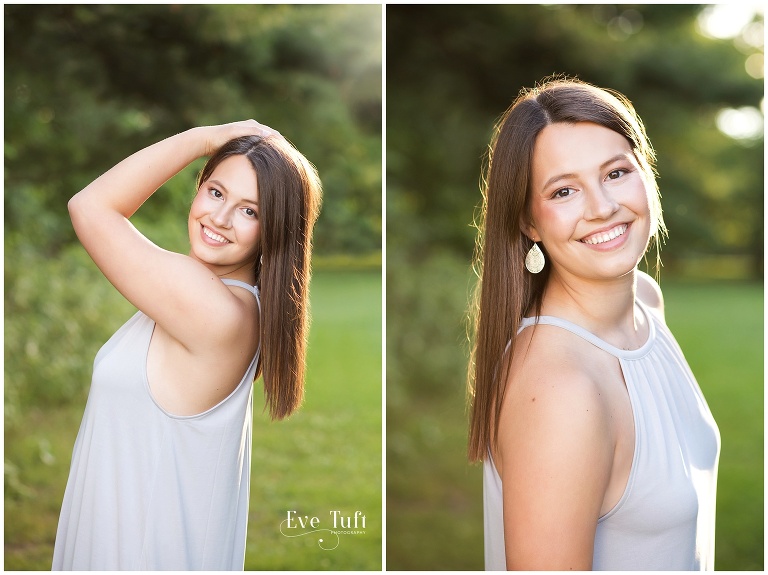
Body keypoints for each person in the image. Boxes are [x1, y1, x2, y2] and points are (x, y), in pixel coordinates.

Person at [466, 78, 720, 570]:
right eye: (564, 191)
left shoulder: (647, 302)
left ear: (646, 174)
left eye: (616, 173)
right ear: (529, 222)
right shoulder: (561, 390)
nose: (602, 207)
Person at [52, 120, 322, 570]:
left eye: (249, 211)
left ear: (274, 230)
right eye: (216, 192)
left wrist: (203, 138)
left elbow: (90, 206)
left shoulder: (212, 310)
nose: (219, 218)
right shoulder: (236, 307)